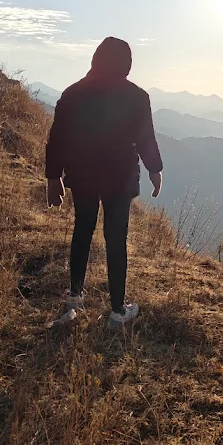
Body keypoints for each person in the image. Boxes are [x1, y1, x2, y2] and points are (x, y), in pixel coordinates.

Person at [45, 36, 163, 328]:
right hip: (119, 176)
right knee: (116, 239)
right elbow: (145, 137)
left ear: (95, 59)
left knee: (82, 229)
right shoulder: (137, 97)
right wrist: (154, 169)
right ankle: (117, 311)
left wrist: (53, 176)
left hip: (82, 173)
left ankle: (74, 298)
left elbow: (58, 137)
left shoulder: (73, 94)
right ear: (127, 64)